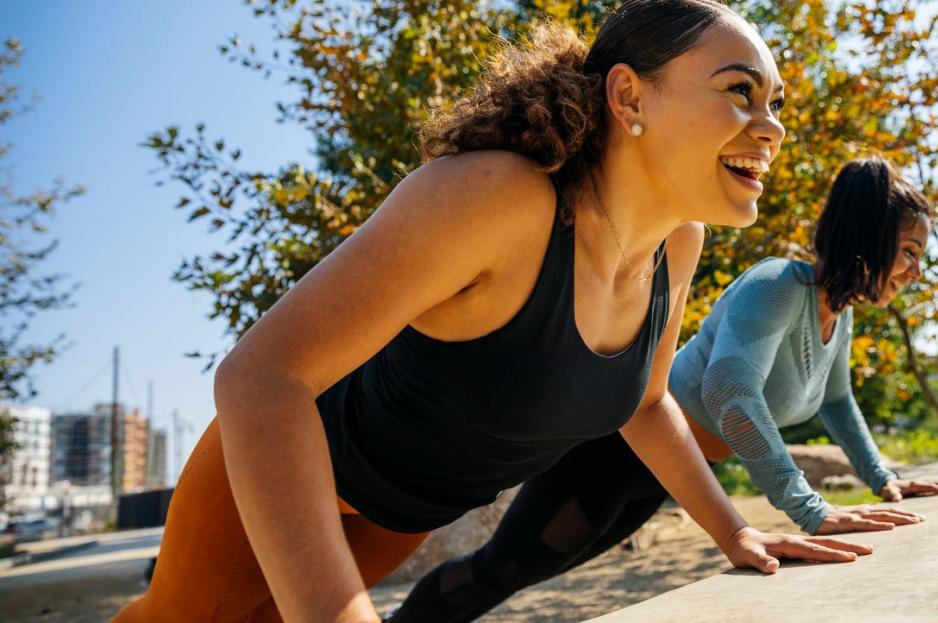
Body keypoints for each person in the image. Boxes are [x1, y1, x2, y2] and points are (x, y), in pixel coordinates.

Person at [114, 2, 876, 622]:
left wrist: (734, 528)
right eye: (739, 91)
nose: (771, 126)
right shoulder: (498, 197)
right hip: (294, 474)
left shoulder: (678, 244)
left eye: (775, 103)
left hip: (404, 510)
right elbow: (259, 377)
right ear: (629, 96)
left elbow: (647, 403)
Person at [391, 157, 938, 623]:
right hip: (617, 451)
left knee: (528, 570)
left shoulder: (839, 316)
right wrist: (807, 510)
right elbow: (730, 392)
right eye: (909, 252)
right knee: (504, 569)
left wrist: (885, 480)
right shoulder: (778, 285)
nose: (915, 271)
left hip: (669, 474)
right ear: (868, 237)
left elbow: (837, 402)